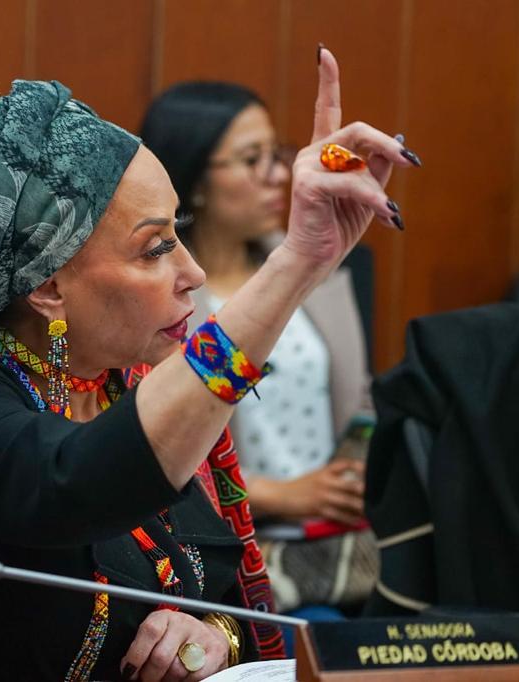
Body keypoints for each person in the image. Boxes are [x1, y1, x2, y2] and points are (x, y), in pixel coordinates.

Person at [0, 47, 415, 681]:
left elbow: (225, 588)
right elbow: (86, 477)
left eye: (179, 232)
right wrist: (296, 264)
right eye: (155, 248)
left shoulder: (129, 379)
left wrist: (209, 635)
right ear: (48, 285)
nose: (192, 272)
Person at [140, 82, 385, 616]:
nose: (279, 175)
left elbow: (361, 403)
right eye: (253, 160)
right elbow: (152, 439)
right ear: (195, 179)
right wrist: (277, 495)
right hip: (233, 553)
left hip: (344, 542)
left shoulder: (315, 263)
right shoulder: (166, 298)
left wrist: (356, 474)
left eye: (277, 155)